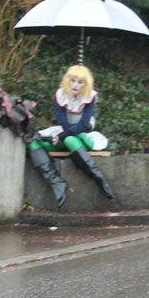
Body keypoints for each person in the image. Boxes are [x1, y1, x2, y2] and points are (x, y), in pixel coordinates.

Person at [27, 64, 115, 206]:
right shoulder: (60, 95)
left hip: (83, 136)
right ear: (67, 80)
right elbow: (65, 124)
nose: (75, 85)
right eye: (73, 80)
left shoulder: (90, 97)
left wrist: (60, 136)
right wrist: (58, 136)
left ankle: (99, 179)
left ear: (85, 84)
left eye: (80, 82)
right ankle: (57, 183)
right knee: (33, 143)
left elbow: (83, 125)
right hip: (65, 133)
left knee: (69, 139)